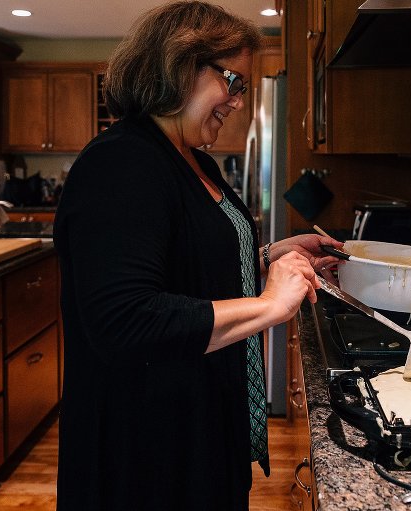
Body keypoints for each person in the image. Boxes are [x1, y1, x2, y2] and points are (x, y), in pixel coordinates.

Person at [53, 2, 343, 509]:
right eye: (233, 81)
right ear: (179, 65)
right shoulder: (120, 163)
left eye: (243, 87)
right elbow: (126, 320)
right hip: (145, 458)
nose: (237, 101)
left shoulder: (193, 161)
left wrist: (270, 257)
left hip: (201, 432)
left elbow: (184, 262)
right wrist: (270, 306)